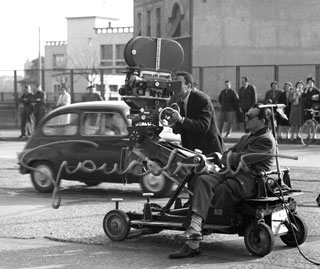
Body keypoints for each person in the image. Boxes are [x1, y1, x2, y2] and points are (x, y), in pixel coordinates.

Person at [169, 104, 276, 259]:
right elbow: (228, 154)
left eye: (250, 117)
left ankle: (192, 244)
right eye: (246, 115)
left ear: (263, 121)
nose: (245, 119)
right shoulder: (247, 137)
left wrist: (230, 157)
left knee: (204, 195)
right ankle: (195, 228)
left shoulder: (266, 141)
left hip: (245, 182)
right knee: (203, 180)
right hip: (232, 175)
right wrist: (229, 157)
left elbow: (241, 158)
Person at [170, 71, 225, 155]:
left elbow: (203, 126)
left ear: (188, 86)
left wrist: (181, 119)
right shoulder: (179, 101)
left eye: (178, 84)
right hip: (192, 151)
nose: (174, 88)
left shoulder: (202, 99)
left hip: (208, 151)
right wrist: (172, 123)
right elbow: (183, 128)